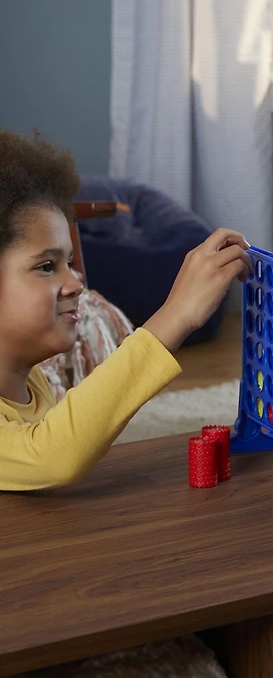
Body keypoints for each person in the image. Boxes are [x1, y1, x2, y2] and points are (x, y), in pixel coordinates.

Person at [0, 129, 252, 491]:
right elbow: (49, 455)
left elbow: (68, 433)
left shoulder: (32, 382)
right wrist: (176, 314)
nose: (75, 283)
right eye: (46, 266)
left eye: (69, 262)